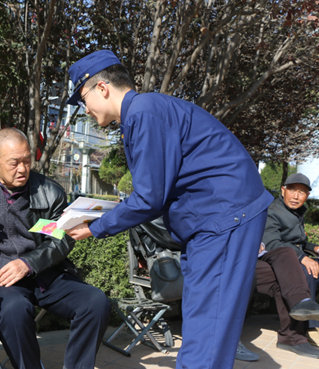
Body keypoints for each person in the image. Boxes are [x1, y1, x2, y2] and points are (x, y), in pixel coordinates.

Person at [65, 50, 274, 369]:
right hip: (214, 218)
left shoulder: (145, 112)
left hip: (225, 214)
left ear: (102, 88)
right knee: (202, 318)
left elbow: (149, 198)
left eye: (83, 98)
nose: (86, 110)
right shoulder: (143, 113)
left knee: (208, 324)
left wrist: (94, 226)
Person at [0, 128, 110, 369]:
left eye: (27, 160)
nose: (22, 169)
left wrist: (28, 263)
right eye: (14, 163)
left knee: (96, 302)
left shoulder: (50, 191)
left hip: (45, 272)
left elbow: (61, 238)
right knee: (13, 309)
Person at [262, 173, 319, 346]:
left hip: (291, 253)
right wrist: (302, 257)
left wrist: (313, 248)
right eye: (292, 190)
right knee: (307, 270)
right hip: (275, 258)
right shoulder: (273, 211)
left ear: (307, 196)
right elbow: (272, 242)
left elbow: (297, 241)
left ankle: (312, 320)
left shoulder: (297, 211)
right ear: (283, 190)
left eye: (301, 192)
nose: (296, 196)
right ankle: (300, 325)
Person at [256, 242, 319, 357]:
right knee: (286, 275)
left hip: (261, 255)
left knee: (287, 252)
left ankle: (302, 304)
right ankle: (293, 335)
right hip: (235, 258)